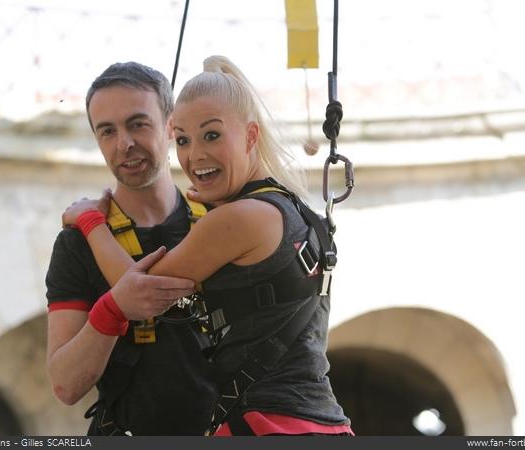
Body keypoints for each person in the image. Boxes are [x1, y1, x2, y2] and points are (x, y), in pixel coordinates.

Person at [62, 55, 353, 436]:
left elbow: (139, 290)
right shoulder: (286, 206)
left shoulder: (236, 219)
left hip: (270, 424)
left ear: (250, 136)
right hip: (318, 421)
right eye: (182, 139)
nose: (195, 155)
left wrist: (90, 222)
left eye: (212, 135)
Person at [45, 61, 219, 436]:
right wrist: (112, 311)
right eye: (107, 131)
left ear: (171, 126)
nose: (124, 144)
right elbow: (65, 385)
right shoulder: (77, 244)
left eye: (138, 123)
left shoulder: (222, 221)